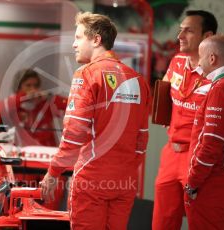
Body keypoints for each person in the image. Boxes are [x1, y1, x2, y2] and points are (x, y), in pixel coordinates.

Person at [40, 12, 150, 230]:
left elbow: (75, 131)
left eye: (79, 37)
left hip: (92, 177)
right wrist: (124, 169)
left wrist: (53, 172)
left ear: (96, 39)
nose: (73, 44)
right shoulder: (138, 80)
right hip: (125, 180)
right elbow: (142, 136)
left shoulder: (87, 74)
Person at [152, 10, 218, 230]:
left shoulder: (217, 74)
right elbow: (163, 94)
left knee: (201, 222)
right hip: (171, 152)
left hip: (199, 156)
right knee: (162, 222)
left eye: (189, 31)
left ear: (207, 36)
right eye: (180, 29)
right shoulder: (177, 61)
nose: (180, 35)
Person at [184, 34, 224, 230]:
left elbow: (211, 143)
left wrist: (192, 182)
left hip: (212, 184)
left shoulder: (221, 89)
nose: (198, 62)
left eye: (200, 57)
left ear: (212, 58)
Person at [0, 69, 67, 147]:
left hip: (45, 153)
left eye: (36, 86)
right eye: (28, 85)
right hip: (20, 151)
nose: (33, 89)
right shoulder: (13, 104)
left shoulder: (45, 104)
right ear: (18, 87)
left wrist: (50, 97)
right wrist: (24, 97)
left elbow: (70, 106)